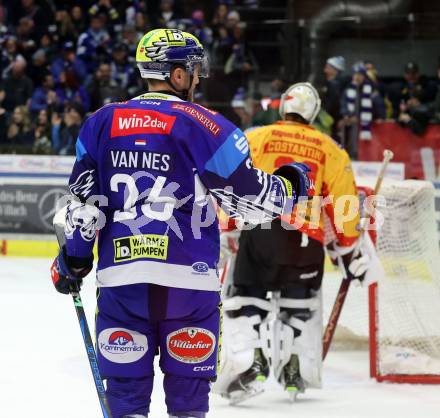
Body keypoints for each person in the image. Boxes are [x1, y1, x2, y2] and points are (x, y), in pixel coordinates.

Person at [49, 28, 311, 418]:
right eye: (193, 70)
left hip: (123, 286)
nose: (198, 77)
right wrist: (293, 183)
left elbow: (83, 207)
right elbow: (252, 202)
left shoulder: (101, 123)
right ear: (176, 75)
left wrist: (73, 261)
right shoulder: (207, 125)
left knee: (126, 404)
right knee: (188, 408)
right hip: (189, 287)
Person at [215, 82, 371, 402]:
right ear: (313, 113)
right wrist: (348, 247)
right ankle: (296, 366)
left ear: (282, 107)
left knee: (245, 301)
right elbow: (345, 205)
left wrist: (227, 226)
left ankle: (249, 360)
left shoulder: (256, 136)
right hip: (306, 242)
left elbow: (227, 180)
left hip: (260, 232)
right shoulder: (329, 147)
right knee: (299, 306)